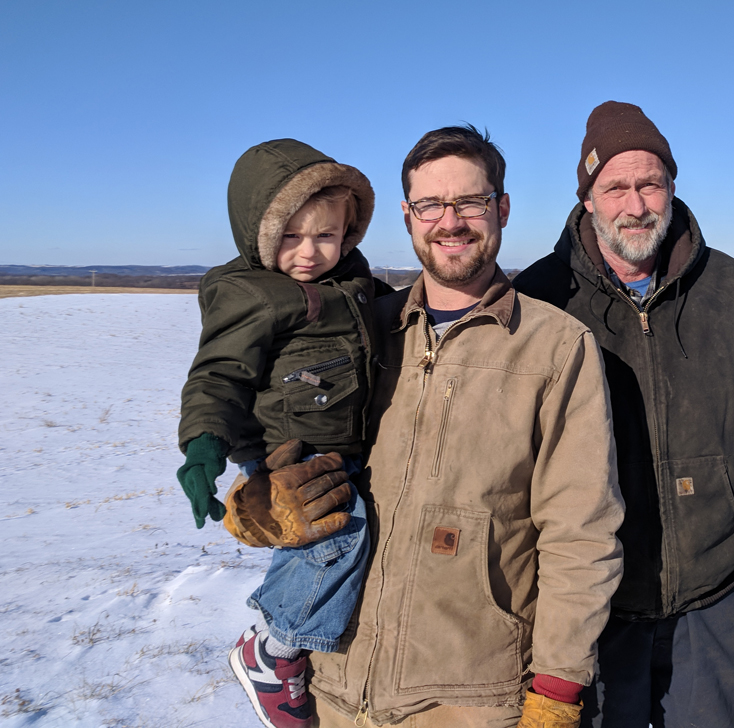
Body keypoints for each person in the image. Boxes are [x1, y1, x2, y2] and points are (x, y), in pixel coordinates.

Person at [223, 125, 627, 728]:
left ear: (502, 209)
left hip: (472, 701)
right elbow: (282, 442)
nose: (452, 221)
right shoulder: (356, 331)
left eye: (470, 201)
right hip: (335, 690)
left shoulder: (554, 347)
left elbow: (582, 535)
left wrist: (557, 691)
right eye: (432, 205)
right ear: (409, 216)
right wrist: (255, 503)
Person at [514, 102, 734, 728]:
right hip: (591, 609)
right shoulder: (542, 298)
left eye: (650, 183)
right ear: (588, 199)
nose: (636, 204)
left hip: (713, 600)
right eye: (616, 188)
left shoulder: (727, 287)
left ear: (673, 188)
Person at [176, 138, 385, 728]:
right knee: (336, 533)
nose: (309, 253)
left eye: (326, 236)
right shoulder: (252, 295)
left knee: (343, 533)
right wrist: (203, 449)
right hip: (288, 449)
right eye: (290, 237)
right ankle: (274, 648)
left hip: (338, 438)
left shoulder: (354, 279)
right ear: (261, 235)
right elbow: (218, 374)